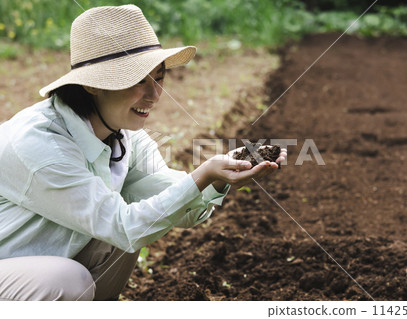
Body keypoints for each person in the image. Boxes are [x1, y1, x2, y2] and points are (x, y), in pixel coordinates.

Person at [0, 5, 286, 301]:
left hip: (34, 270)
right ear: (92, 84)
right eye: (138, 80)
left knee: (129, 227)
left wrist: (218, 177)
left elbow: (177, 206)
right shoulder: (40, 142)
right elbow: (126, 227)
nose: (154, 95)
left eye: (159, 78)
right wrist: (203, 173)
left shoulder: (125, 136)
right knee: (67, 280)